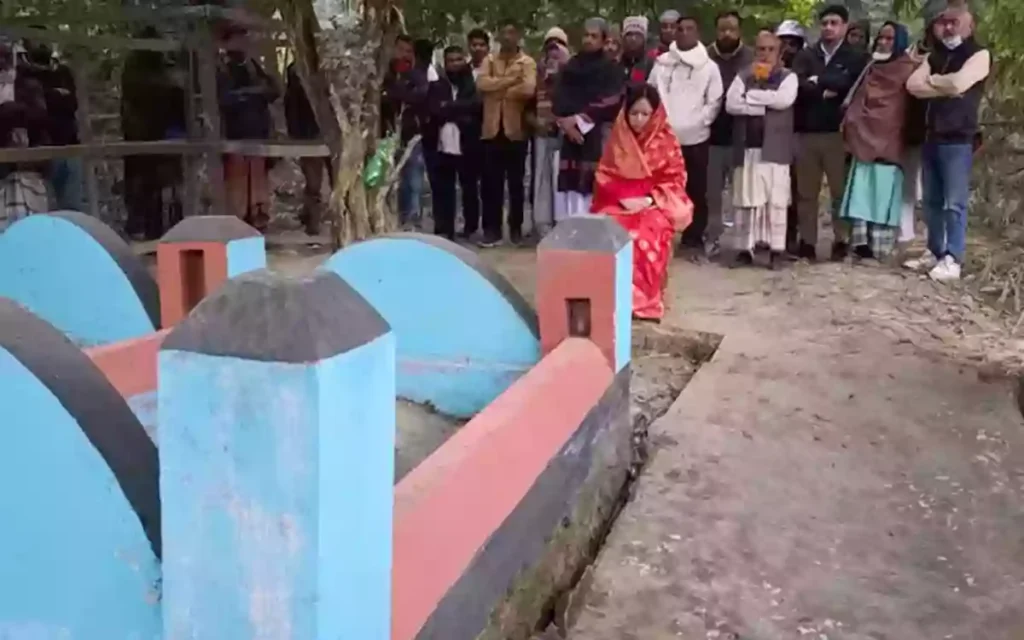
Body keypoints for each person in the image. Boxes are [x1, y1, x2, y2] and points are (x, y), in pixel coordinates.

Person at [904, 2, 989, 282]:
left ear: (969, 24)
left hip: (958, 138)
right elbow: (912, 86)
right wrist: (944, 84)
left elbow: (959, 84)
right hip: (931, 136)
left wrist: (933, 82)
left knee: (954, 203)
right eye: (945, 22)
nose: (949, 27)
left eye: (955, 22)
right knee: (931, 202)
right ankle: (935, 251)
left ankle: (953, 258)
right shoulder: (935, 55)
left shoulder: (979, 54)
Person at [592, 83, 692, 321]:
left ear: (655, 114)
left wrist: (650, 199)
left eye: (645, 114)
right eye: (634, 113)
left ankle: (643, 301)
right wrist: (623, 198)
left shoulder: (667, 140)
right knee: (609, 230)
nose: (639, 120)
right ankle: (612, 299)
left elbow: (676, 180)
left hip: (656, 203)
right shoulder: (618, 138)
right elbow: (604, 176)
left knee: (645, 235)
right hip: (618, 202)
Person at [792, 4, 869, 260]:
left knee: (839, 191)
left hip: (838, 133)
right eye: (824, 23)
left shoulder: (855, 57)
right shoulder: (806, 55)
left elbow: (850, 85)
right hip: (806, 132)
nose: (828, 28)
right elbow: (797, 86)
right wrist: (823, 88)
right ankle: (807, 242)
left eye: (834, 23)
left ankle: (841, 240)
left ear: (845, 26)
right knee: (806, 193)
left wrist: (818, 80)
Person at [838, 21, 918, 263]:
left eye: (889, 39)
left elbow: (906, 109)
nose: (882, 43)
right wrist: (854, 127)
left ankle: (880, 247)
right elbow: (856, 101)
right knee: (862, 192)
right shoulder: (871, 67)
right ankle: (860, 245)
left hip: (890, 142)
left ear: (900, 42)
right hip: (862, 139)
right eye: (880, 38)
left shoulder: (909, 70)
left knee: (883, 193)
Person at [648, 13, 723, 259]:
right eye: (680, 29)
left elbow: (714, 101)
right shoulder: (662, 64)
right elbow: (650, 94)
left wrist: (698, 123)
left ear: (698, 33)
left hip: (696, 139)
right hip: (663, 138)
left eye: (689, 29)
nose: (684, 33)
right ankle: (661, 235)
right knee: (661, 189)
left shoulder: (709, 67)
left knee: (696, 189)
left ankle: (693, 238)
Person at [724, 29, 798, 269]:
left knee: (775, 202)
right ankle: (744, 249)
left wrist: (751, 96)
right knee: (745, 199)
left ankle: (776, 250)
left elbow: (783, 100)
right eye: (761, 49)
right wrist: (761, 106)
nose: (765, 54)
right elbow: (731, 104)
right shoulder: (744, 74)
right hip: (747, 148)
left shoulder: (788, 77)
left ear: (779, 53)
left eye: (770, 49)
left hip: (776, 148)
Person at [553, 17, 624, 218]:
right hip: (569, 138)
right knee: (570, 192)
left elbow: (612, 100)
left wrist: (579, 120)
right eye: (586, 35)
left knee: (592, 191)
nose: (588, 40)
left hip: (597, 137)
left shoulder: (610, 68)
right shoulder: (570, 66)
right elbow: (559, 98)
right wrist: (566, 124)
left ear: (603, 39)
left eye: (594, 36)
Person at [121, 26, 186, 240]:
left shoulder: (161, 70)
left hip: (164, 135)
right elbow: (150, 92)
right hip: (143, 137)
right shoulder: (137, 71)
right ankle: (152, 232)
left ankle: (173, 231)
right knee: (149, 190)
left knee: (170, 189)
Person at [476, 18, 537, 247]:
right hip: (492, 131)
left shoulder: (527, 62)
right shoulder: (489, 60)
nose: (508, 37)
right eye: (504, 33)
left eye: (512, 33)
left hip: (516, 131)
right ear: (499, 36)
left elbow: (528, 88)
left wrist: (500, 89)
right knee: (491, 184)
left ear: (518, 35)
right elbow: (482, 84)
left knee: (516, 184)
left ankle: (515, 228)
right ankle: (492, 231)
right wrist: (511, 81)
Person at [217, 29, 279, 232]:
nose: (243, 43)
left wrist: (258, 91)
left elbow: (273, 91)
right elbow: (224, 99)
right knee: (238, 183)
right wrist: (251, 93)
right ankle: (238, 223)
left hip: (257, 132)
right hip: (234, 134)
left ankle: (258, 219)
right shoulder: (221, 69)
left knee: (258, 181)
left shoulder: (253, 67)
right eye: (238, 39)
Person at [707, 10, 753, 258]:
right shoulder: (705, 56)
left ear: (739, 31)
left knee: (742, 193)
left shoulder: (751, 58)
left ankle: (742, 244)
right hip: (711, 136)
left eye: (732, 29)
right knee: (712, 194)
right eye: (722, 29)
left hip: (743, 137)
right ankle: (712, 238)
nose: (727, 34)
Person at [19, 30, 81, 212]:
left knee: (72, 209)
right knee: (41, 209)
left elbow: (72, 103)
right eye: (36, 38)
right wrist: (54, 95)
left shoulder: (63, 72)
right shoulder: (22, 74)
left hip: (70, 147)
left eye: (44, 38)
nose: (41, 43)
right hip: (39, 153)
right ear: (27, 43)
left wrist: (46, 95)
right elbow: (31, 111)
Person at [425, 45, 481, 240]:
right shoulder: (438, 85)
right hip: (443, 144)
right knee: (443, 189)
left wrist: (449, 107)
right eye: (451, 60)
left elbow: (475, 107)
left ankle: (470, 227)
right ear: (445, 63)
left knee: (469, 188)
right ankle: (444, 228)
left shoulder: (472, 84)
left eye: (459, 59)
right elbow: (435, 110)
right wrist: (457, 110)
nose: (455, 64)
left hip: (467, 143)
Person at [0, 38, 50, 230]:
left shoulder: (29, 85)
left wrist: (9, 109)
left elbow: (40, 117)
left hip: (29, 167)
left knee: (30, 223)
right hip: (3, 168)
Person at [383, 34, 430, 230]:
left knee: (413, 182)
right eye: (400, 49)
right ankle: (392, 222)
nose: (404, 54)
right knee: (388, 182)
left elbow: (419, 97)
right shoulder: (383, 74)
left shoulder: (417, 75)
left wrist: (395, 92)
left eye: (409, 51)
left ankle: (413, 223)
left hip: (412, 136)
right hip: (386, 135)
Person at [529, 27, 571, 240]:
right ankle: (543, 225)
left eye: (558, 44)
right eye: (550, 44)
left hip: (565, 131)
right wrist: (536, 122)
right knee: (542, 178)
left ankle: (562, 225)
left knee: (561, 178)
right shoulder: (537, 71)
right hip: (542, 131)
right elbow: (528, 102)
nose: (554, 49)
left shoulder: (572, 70)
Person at [285, 61, 331, 235]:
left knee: (327, 183)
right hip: (310, 137)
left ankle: (317, 221)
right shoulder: (296, 89)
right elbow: (292, 116)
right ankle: (313, 223)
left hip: (326, 136)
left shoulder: (326, 81)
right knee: (314, 185)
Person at [776, 19, 807, 254]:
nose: (788, 48)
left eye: (792, 43)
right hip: (772, 134)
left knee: (796, 188)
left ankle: (791, 236)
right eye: (783, 42)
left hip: (798, 132)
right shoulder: (767, 67)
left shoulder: (804, 66)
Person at [621, 17, 653, 84]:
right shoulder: (616, 63)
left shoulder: (652, 65)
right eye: (629, 34)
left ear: (644, 39)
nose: (633, 39)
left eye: (638, 35)